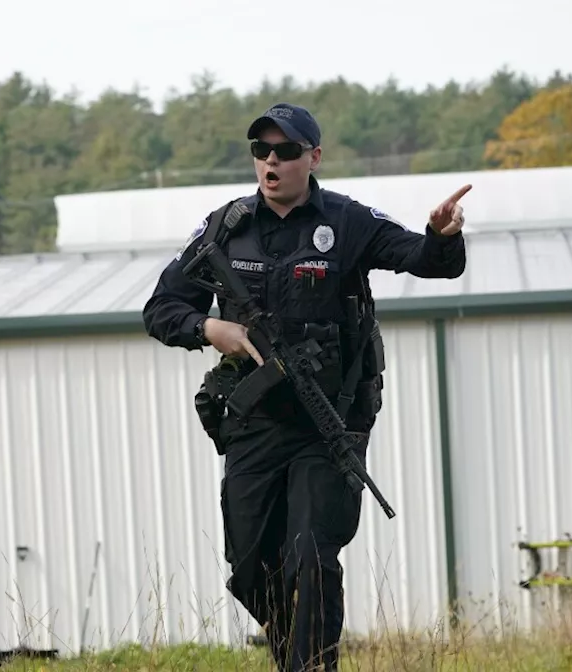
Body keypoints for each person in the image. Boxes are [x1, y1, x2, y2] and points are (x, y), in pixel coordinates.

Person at [142, 102, 469, 671]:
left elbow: (423, 260)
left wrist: (439, 235)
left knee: (311, 560)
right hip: (253, 423)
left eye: (286, 151)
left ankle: (312, 665)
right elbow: (161, 307)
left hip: (330, 422)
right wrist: (207, 328)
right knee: (250, 566)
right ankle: (295, 654)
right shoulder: (226, 226)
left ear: (313, 157)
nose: (271, 161)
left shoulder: (346, 222)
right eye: (261, 151)